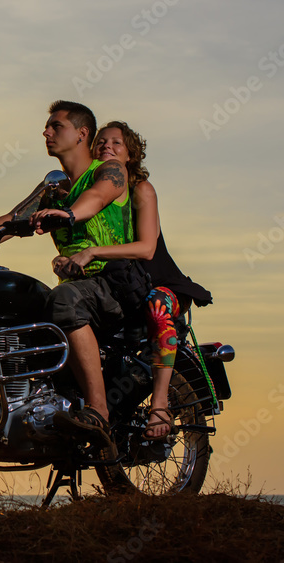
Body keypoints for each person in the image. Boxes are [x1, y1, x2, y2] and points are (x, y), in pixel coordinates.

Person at [0, 101, 131, 445]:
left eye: (55, 126)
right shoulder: (53, 189)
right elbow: (10, 221)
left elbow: (98, 197)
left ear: (81, 134)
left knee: (63, 298)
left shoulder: (109, 170)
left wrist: (70, 214)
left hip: (113, 281)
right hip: (78, 288)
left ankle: (99, 411)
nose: (46, 132)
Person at [46, 121, 212, 439]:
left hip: (156, 280)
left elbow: (146, 247)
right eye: (101, 142)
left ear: (130, 157)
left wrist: (94, 252)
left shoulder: (139, 189)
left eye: (116, 143)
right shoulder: (90, 190)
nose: (107, 146)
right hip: (119, 282)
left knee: (158, 304)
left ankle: (160, 403)